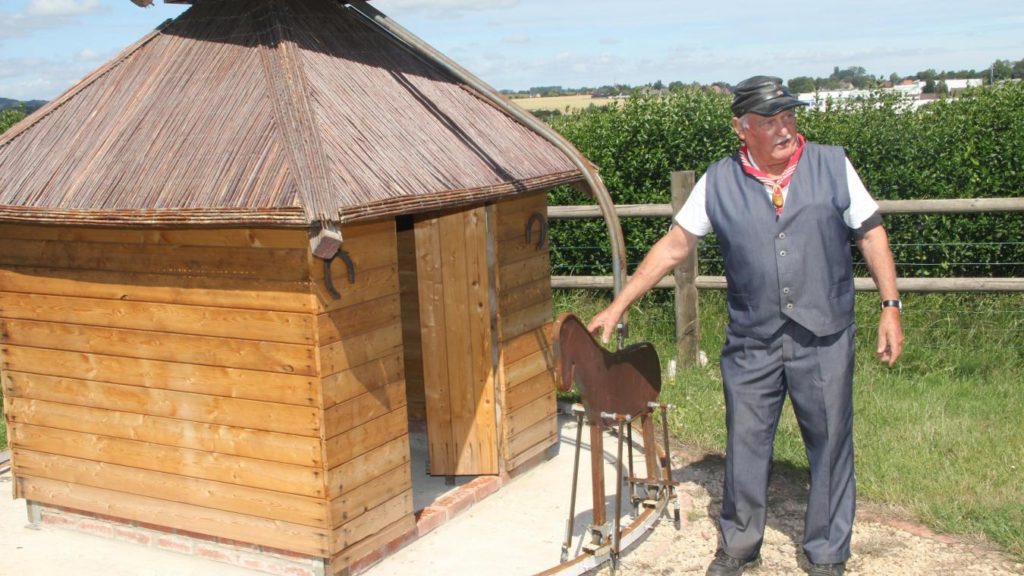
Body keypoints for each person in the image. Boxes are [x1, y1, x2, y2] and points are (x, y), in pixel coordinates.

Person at [587, 75, 904, 576]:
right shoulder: (718, 180)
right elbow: (675, 245)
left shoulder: (832, 164)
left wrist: (890, 306)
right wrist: (620, 302)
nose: (783, 128)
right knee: (746, 443)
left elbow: (872, 234)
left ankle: (826, 552)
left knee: (830, 441)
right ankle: (738, 545)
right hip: (752, 341)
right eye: (769, 121)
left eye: (788, 116)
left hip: (824, 337)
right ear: (742, 128)